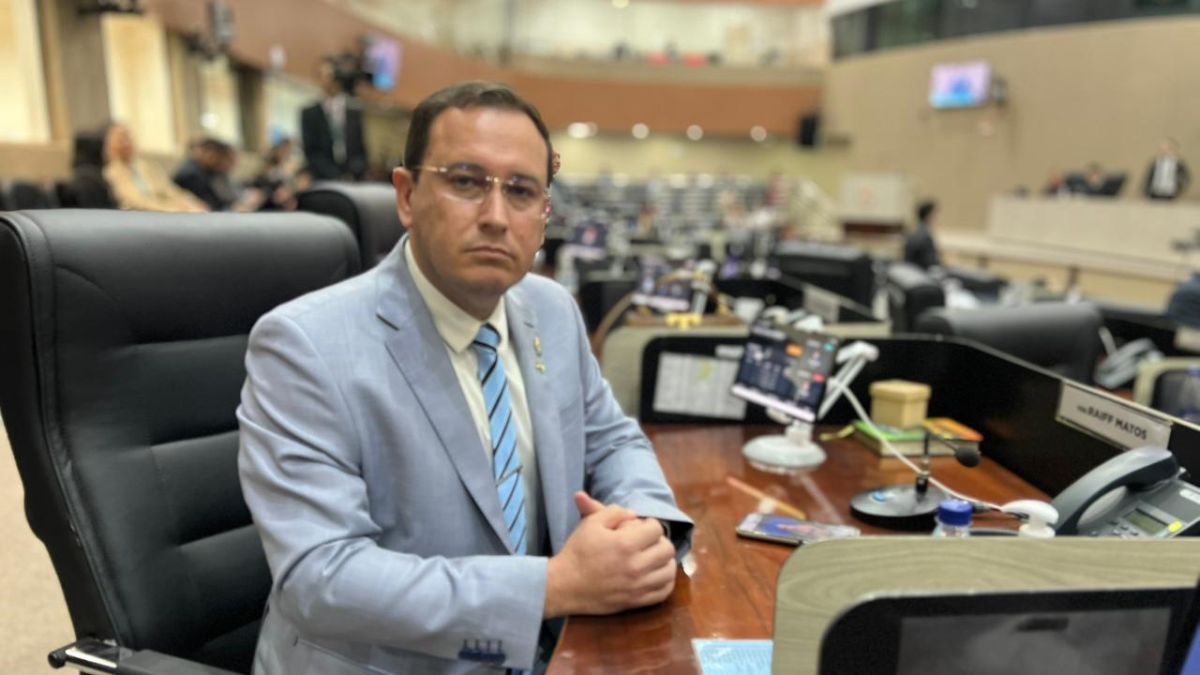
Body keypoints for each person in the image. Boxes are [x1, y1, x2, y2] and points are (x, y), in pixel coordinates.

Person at [238, 81, 693, 674]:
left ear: (544, 214)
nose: (497, 217)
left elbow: (611, 440)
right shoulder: (304, 346)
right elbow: (321, 578)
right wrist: (555, 585)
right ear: (407, 196)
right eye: (466, 182)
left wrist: (644, 526)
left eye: (522, 191)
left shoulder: (552, 310)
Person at [102, 123, 208, 212]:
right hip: (146, 214)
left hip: (166, 210)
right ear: (112, 146)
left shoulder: (145, 166)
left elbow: (169, 190)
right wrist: (172, 209)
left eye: (128, 138)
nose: (126, 144)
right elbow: (135, 202)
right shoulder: (113, 172)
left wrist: (192, 203)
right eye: (121, 140)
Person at [300, 55, 368, 181]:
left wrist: (354, 173)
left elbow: (360, 149)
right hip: (323, 178)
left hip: (352, 179)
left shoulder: (354, 111)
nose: (326, 80)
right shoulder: (310, 113)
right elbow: (312, 152)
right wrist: (334, 175)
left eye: (329, 75)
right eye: (322, 75)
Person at [904, 199, 942, 270]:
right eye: (935, 214)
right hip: (922, 271)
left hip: (912, 270)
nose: (937, 218)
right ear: (929, 216)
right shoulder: (925, 236)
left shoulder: (913, 231)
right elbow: (931, 262)